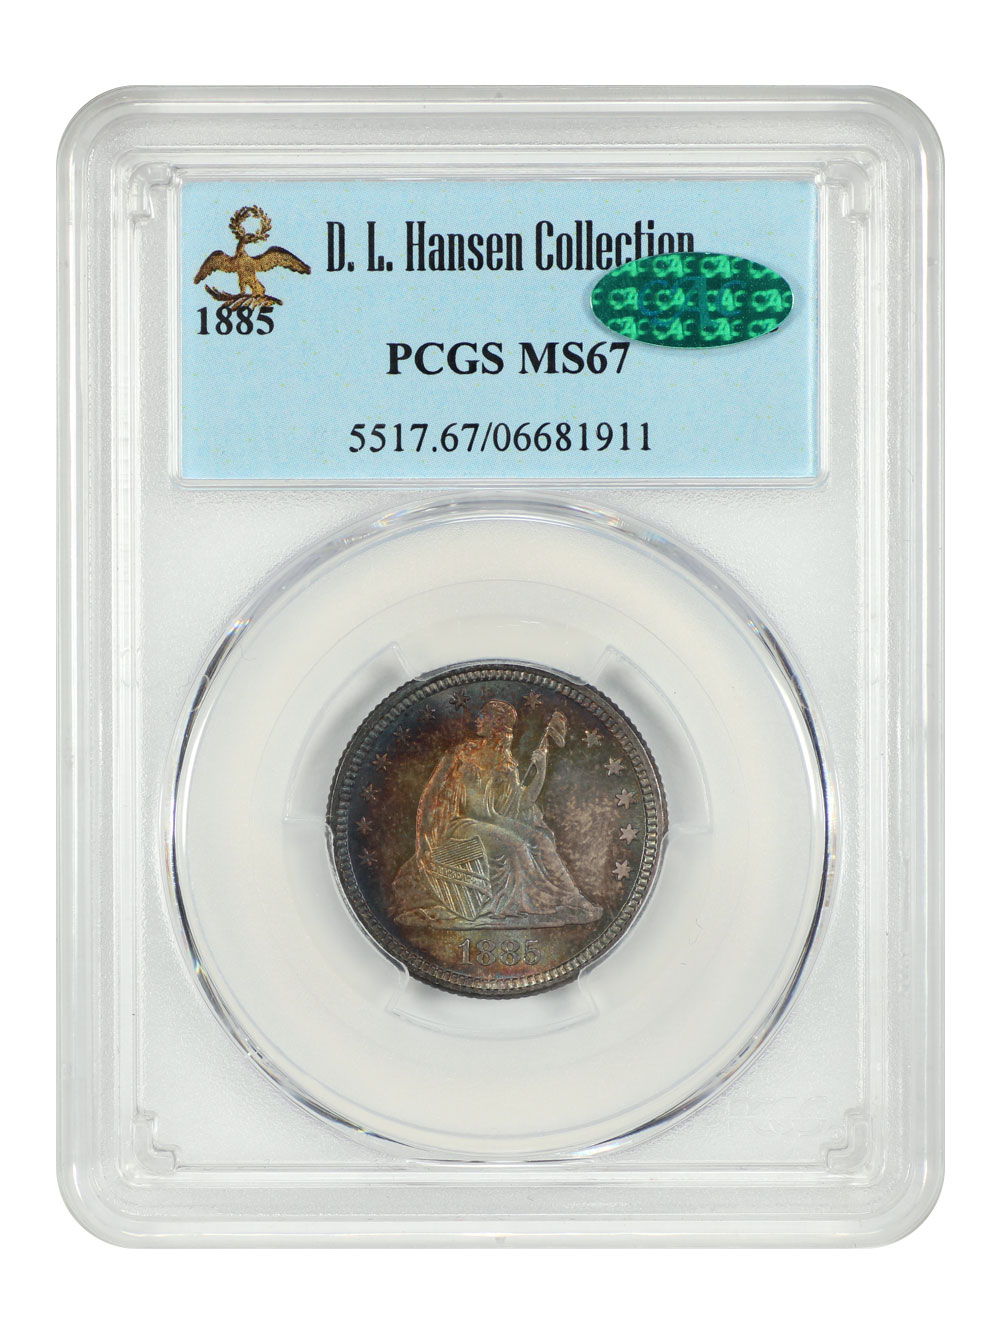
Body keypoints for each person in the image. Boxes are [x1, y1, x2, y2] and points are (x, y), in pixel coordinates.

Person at [390, 699, 601, 927]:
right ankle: (547, 901)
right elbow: (431, 793)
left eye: (484, 716)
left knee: (541, 840)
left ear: (497, 723)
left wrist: (541, 769)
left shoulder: (505, 762)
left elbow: (523, 803)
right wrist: (422, 839)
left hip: (489, 819)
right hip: (460, 825)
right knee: (518, 845)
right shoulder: (462, 754)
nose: (478, 720)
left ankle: (573, 899)